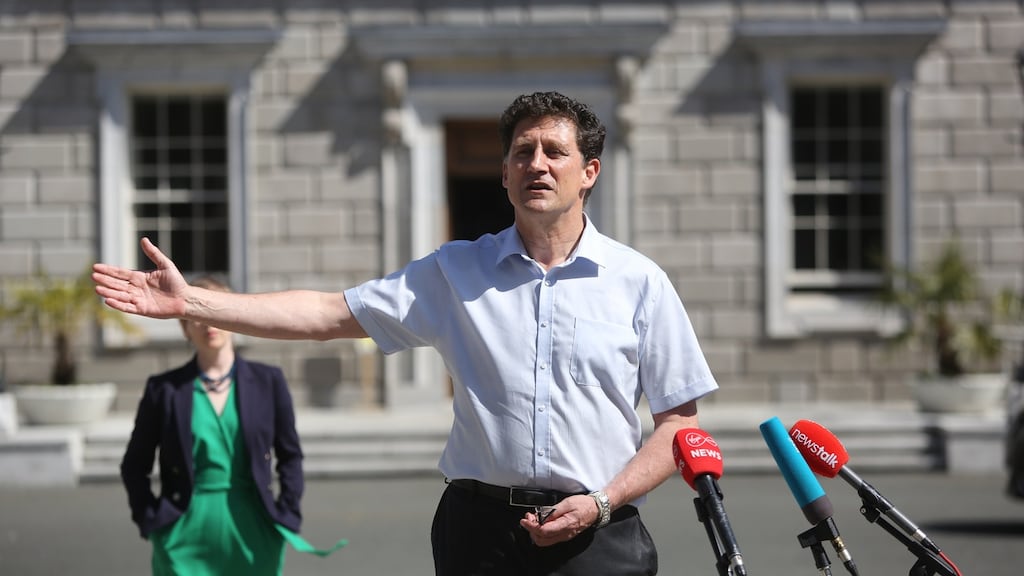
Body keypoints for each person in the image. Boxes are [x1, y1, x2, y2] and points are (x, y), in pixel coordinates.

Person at [96, 91, 718, 576]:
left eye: (554, 152)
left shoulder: (640, 282)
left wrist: (602, 502)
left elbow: (679, 426)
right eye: (522, 153)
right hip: (481, 537)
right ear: (503, 174)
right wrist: (195, 301)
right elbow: (326, 314)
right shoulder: (453, 272)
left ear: (589, 171)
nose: (537, 164)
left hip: (599, 532)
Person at [119, 275, 345, 576]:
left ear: (235, 319)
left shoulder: (269, 381)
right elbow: (135, 464)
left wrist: (287, 515)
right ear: (185, 327)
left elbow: (290, 456)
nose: (208, 323)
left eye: (215, 311)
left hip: (254, 529)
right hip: (183, 531)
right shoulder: (164, 389)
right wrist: (151, 519)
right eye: (196, 315)